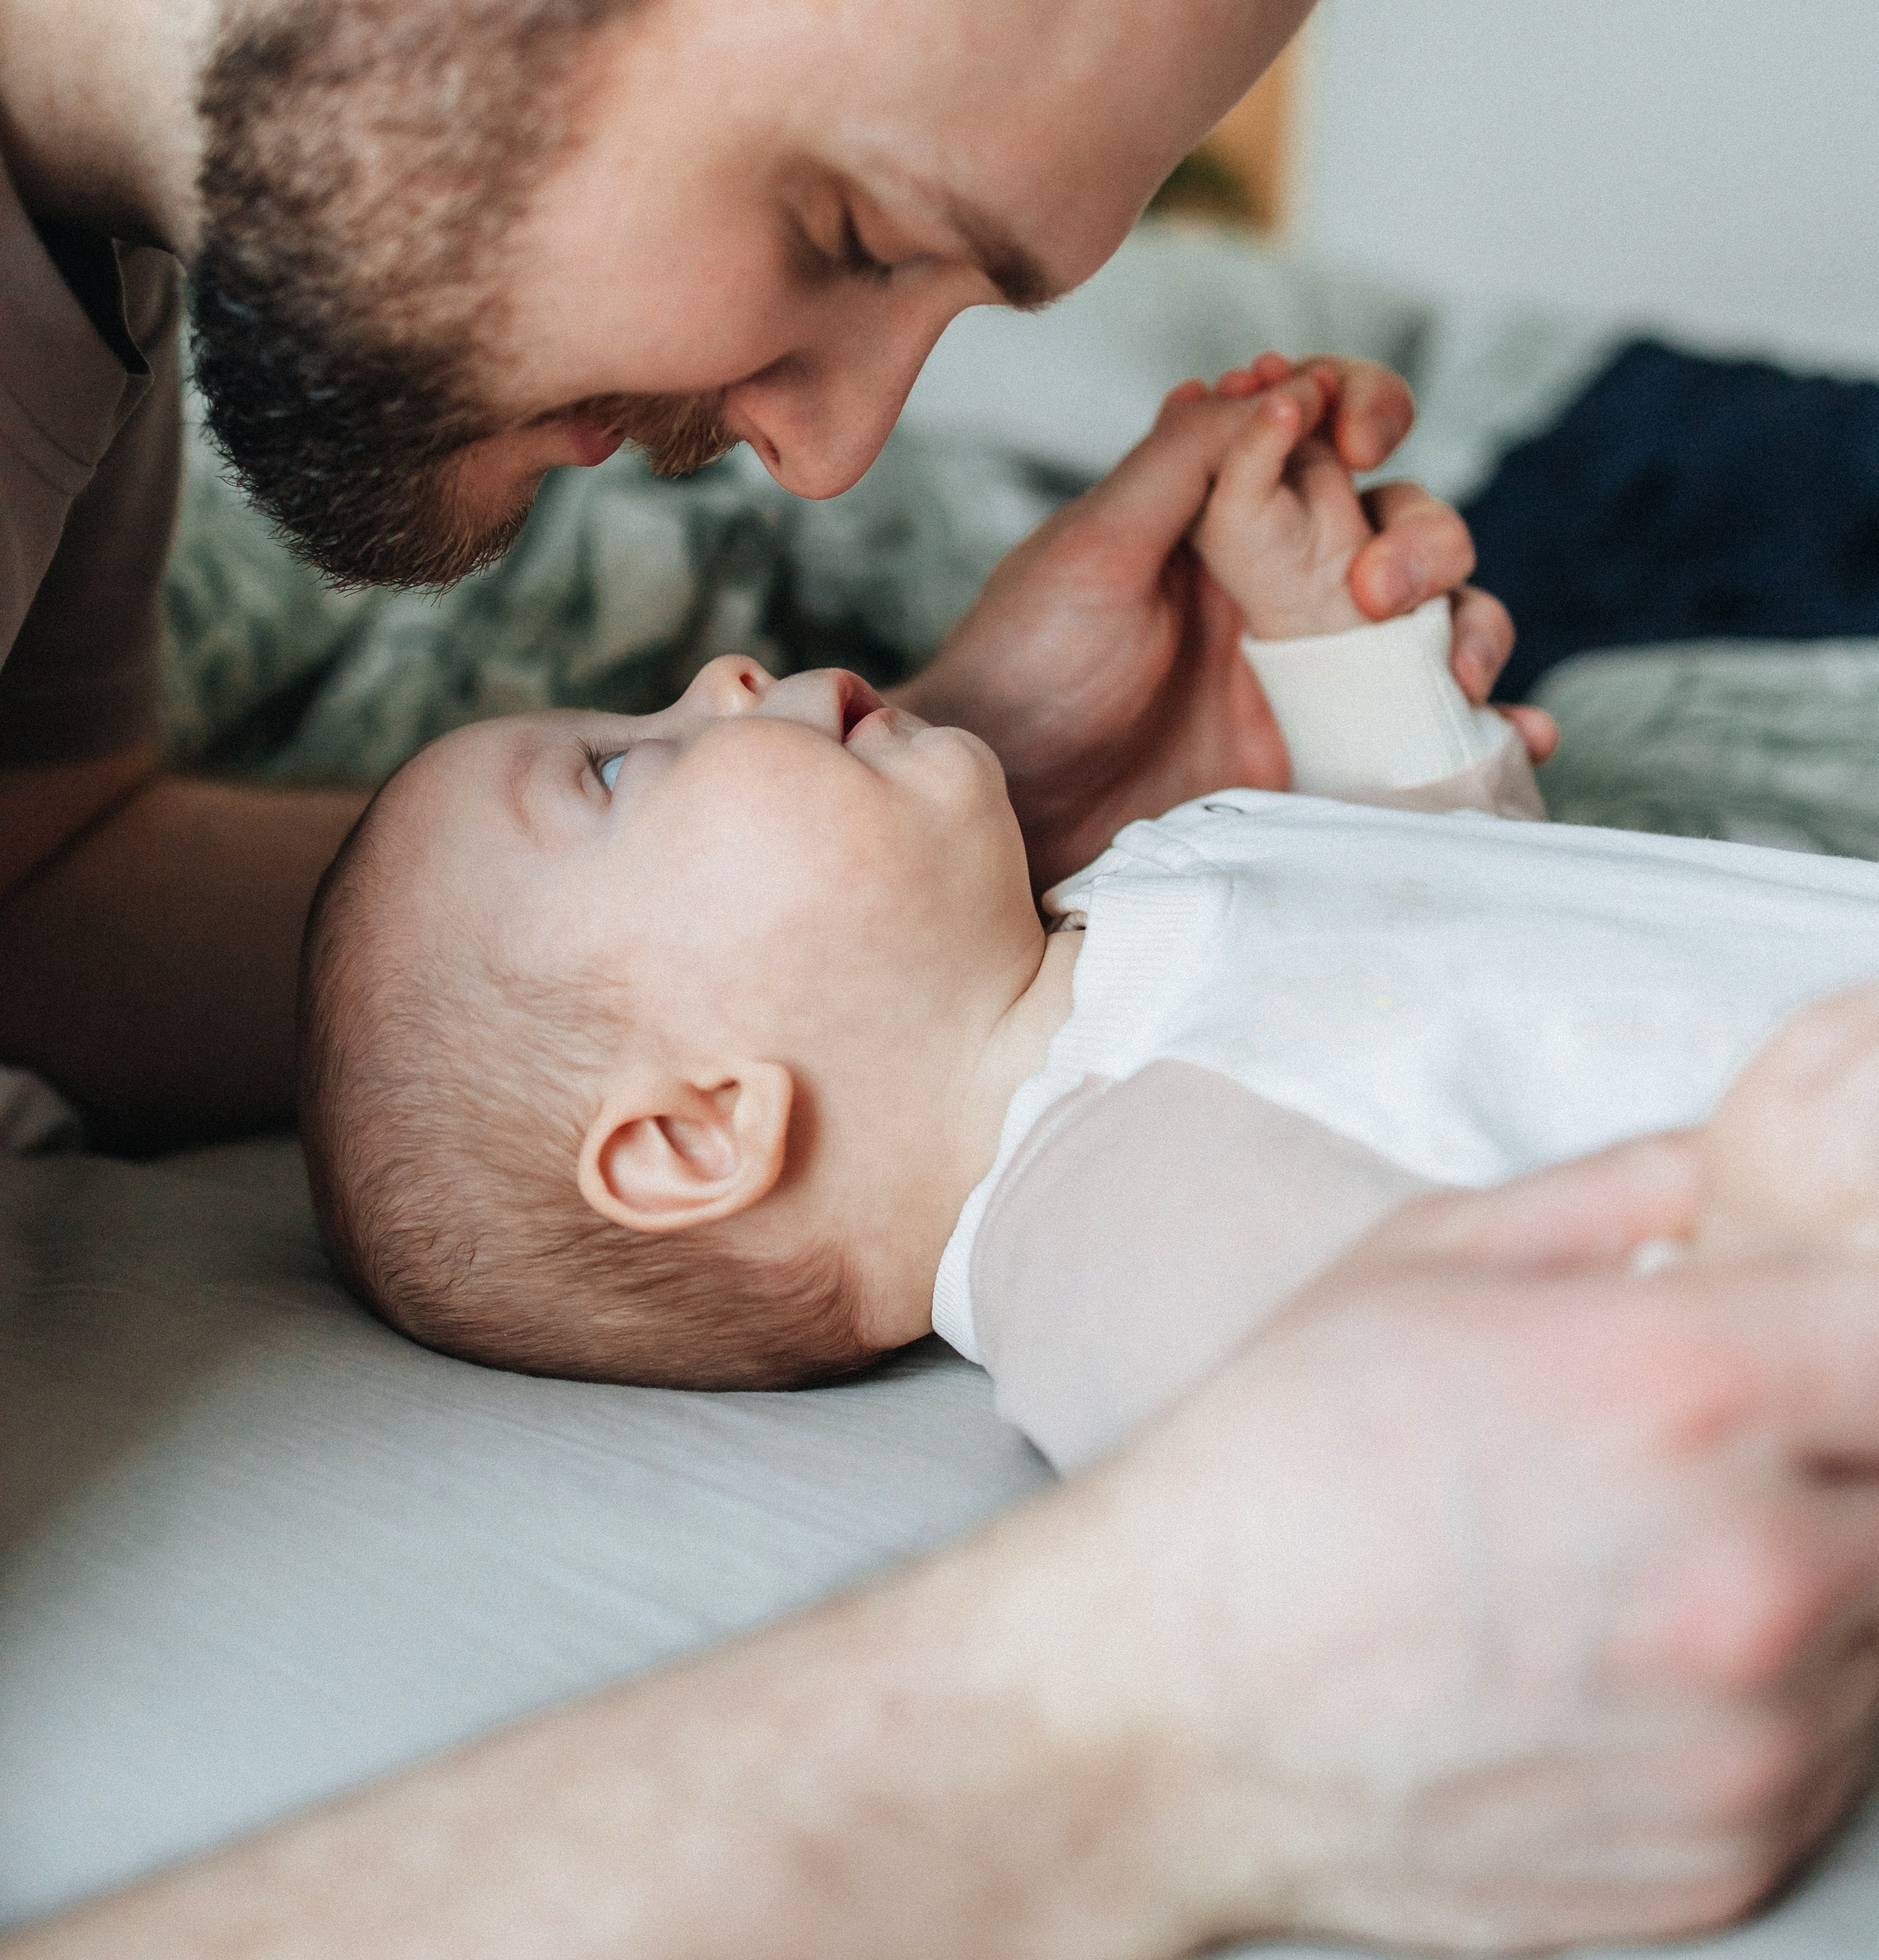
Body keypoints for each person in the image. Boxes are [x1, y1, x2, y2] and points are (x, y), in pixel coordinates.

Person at [6, 0, 1879, 1960]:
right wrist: (1141, 1705)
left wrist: (945, 851)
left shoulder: (114, 178)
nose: (832, 451)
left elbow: (33, 892)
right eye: (856, 226)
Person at [295, 367, 1879, 1478]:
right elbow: (1424, 1434)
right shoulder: (1103, 1223)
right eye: (615, 765)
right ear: (698, 1131)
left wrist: (1327, 643)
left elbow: (1457, 913)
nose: (713, 679)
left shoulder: (1118, 923)